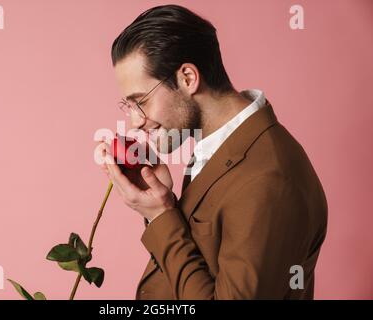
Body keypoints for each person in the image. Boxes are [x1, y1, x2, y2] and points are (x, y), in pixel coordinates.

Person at [98, 4, 327, 299]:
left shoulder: (268, 178)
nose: (135, 121)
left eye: (140, 101)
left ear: (188, 78)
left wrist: (160, 217)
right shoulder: (222, 145)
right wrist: (162, 202)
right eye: (128, 106)